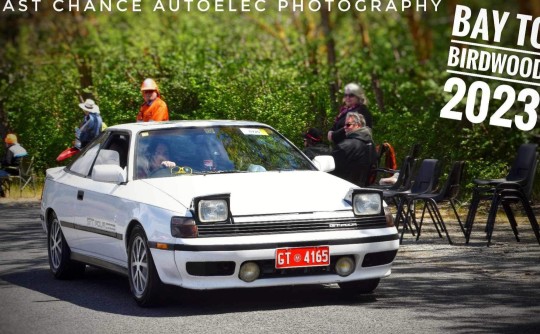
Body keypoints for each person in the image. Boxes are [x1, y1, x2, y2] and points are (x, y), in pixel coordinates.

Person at [331, 112, 377, 187]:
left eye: (348, 125)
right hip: (364, 188)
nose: (344, 127)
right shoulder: (371, 143)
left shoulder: (345, 146)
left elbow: (330, 171)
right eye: (344, 125)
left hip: (344, 189)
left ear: (358, 125)